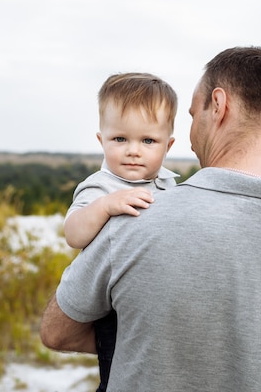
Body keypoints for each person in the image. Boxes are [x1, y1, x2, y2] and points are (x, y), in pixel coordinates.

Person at [41, 46, 261, 392]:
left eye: (194, 116)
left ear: (218, 106)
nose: (192, 139)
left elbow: (57, 332)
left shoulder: (132, 217)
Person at [63, 72, 179, 391]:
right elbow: (73, 234)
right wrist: (104, 206)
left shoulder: (169, 185)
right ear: (102, 140)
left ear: (168, 145)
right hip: (113, 305)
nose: (133, 150)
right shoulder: (101, 187)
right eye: (120, 139)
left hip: (156, 302)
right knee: (119, 373)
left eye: (148, 141)